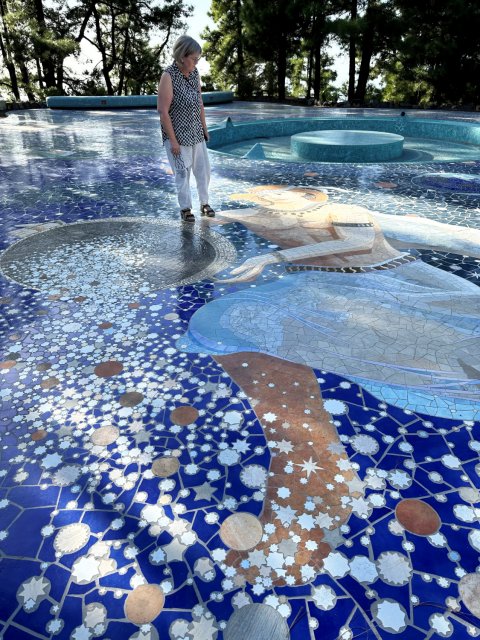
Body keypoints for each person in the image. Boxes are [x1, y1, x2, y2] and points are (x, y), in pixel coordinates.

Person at [157, 35, 215, 222]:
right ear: (182, 56)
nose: (196, 62)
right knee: (182, 173)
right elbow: (163, 111)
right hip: (177, 135)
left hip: (196, 132)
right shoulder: (168, 76)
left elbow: (200, 103)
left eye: (198, 59)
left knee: (203, 171)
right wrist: (173, 141)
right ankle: (185, 208)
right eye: (194, 58)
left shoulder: (194, 74)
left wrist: (204, 128)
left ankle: (205, 203)